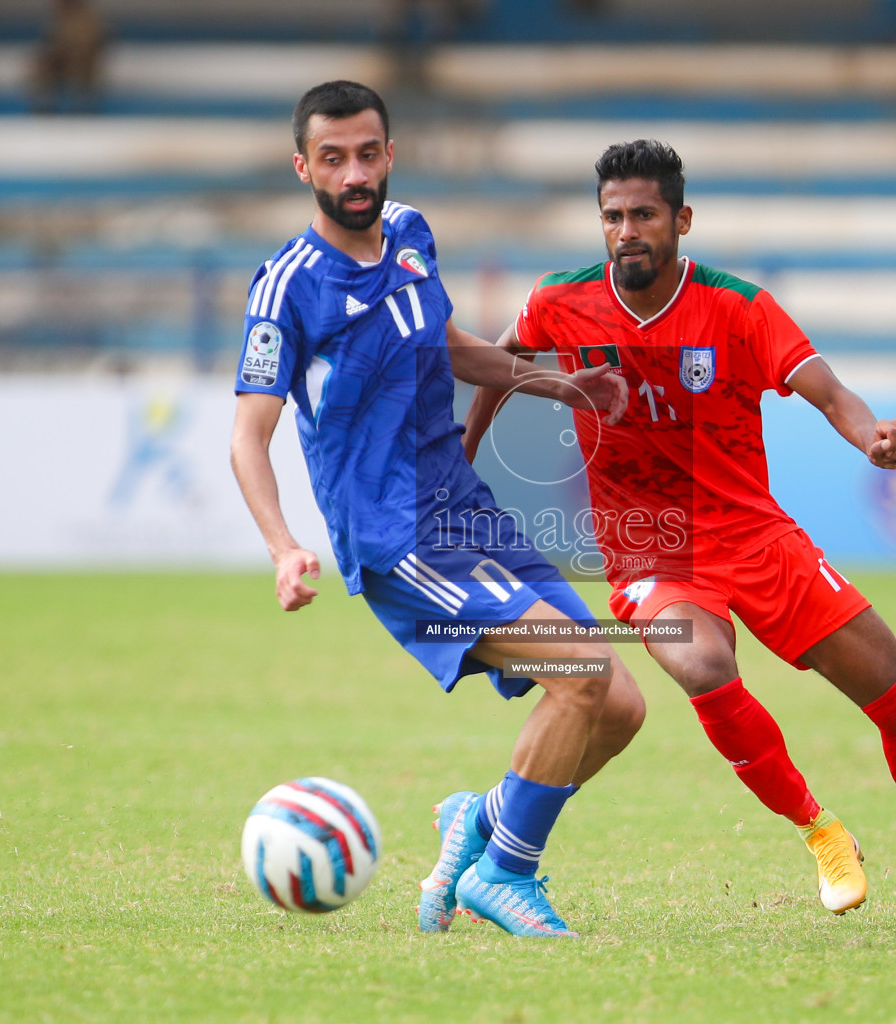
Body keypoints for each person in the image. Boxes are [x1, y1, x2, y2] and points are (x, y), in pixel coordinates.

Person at [463, 139, 896, 930]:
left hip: (755, 537)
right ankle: (821, 831)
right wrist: (462, 462)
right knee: (701, 662)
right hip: (647, 548)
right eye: (613, 217)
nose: (627, 230)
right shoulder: (560, 300)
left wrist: (872, 438)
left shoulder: (738, 307)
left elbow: (829, 393)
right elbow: (496, 365)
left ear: (681, 220)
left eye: (644, 215)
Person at [229, 81, 646, 939]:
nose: (354, 173)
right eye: (334, 158)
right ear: (304, 166)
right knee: (581, 673)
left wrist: (559, 384)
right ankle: (503, 876)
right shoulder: (288, 289)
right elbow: (248, 436)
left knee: (620, 706)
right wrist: (282, 546)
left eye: (368, 153)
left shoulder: (412, 234)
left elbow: (449, 346)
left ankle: (481, 820)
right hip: (397, 534)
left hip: (465, 510)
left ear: (390, 153)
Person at [32, 0, 105, 113]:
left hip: (81, 62)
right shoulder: (59, 20)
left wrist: (69, 53)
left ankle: (82, 106)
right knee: (43, 64)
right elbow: (53, 44)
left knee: (78, 65)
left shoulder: (87, 19)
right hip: (61, 62)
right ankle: (45, 105)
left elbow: (88, 45)